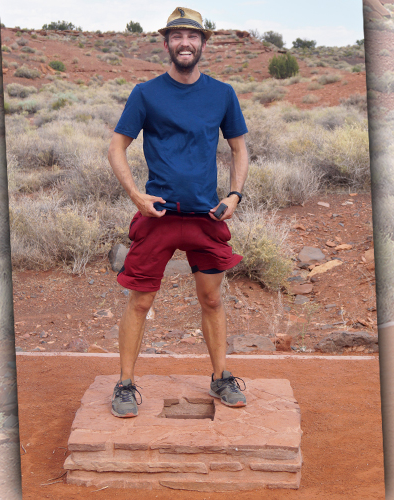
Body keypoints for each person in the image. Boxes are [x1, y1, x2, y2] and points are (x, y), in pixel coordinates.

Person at [106, 7, 249, 417]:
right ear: (166, 43)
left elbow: (239, 147)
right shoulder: (146, 93)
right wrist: (136, 195)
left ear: (203, 43)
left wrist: (235, 195)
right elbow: (117, 146)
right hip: (160, 217)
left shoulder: (222, 93)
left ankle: (220, 377)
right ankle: (125, 384)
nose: (185, 43)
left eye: (193, 36)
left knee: (212, 299)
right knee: (140, 301)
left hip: (208, 217)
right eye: (177, 36)